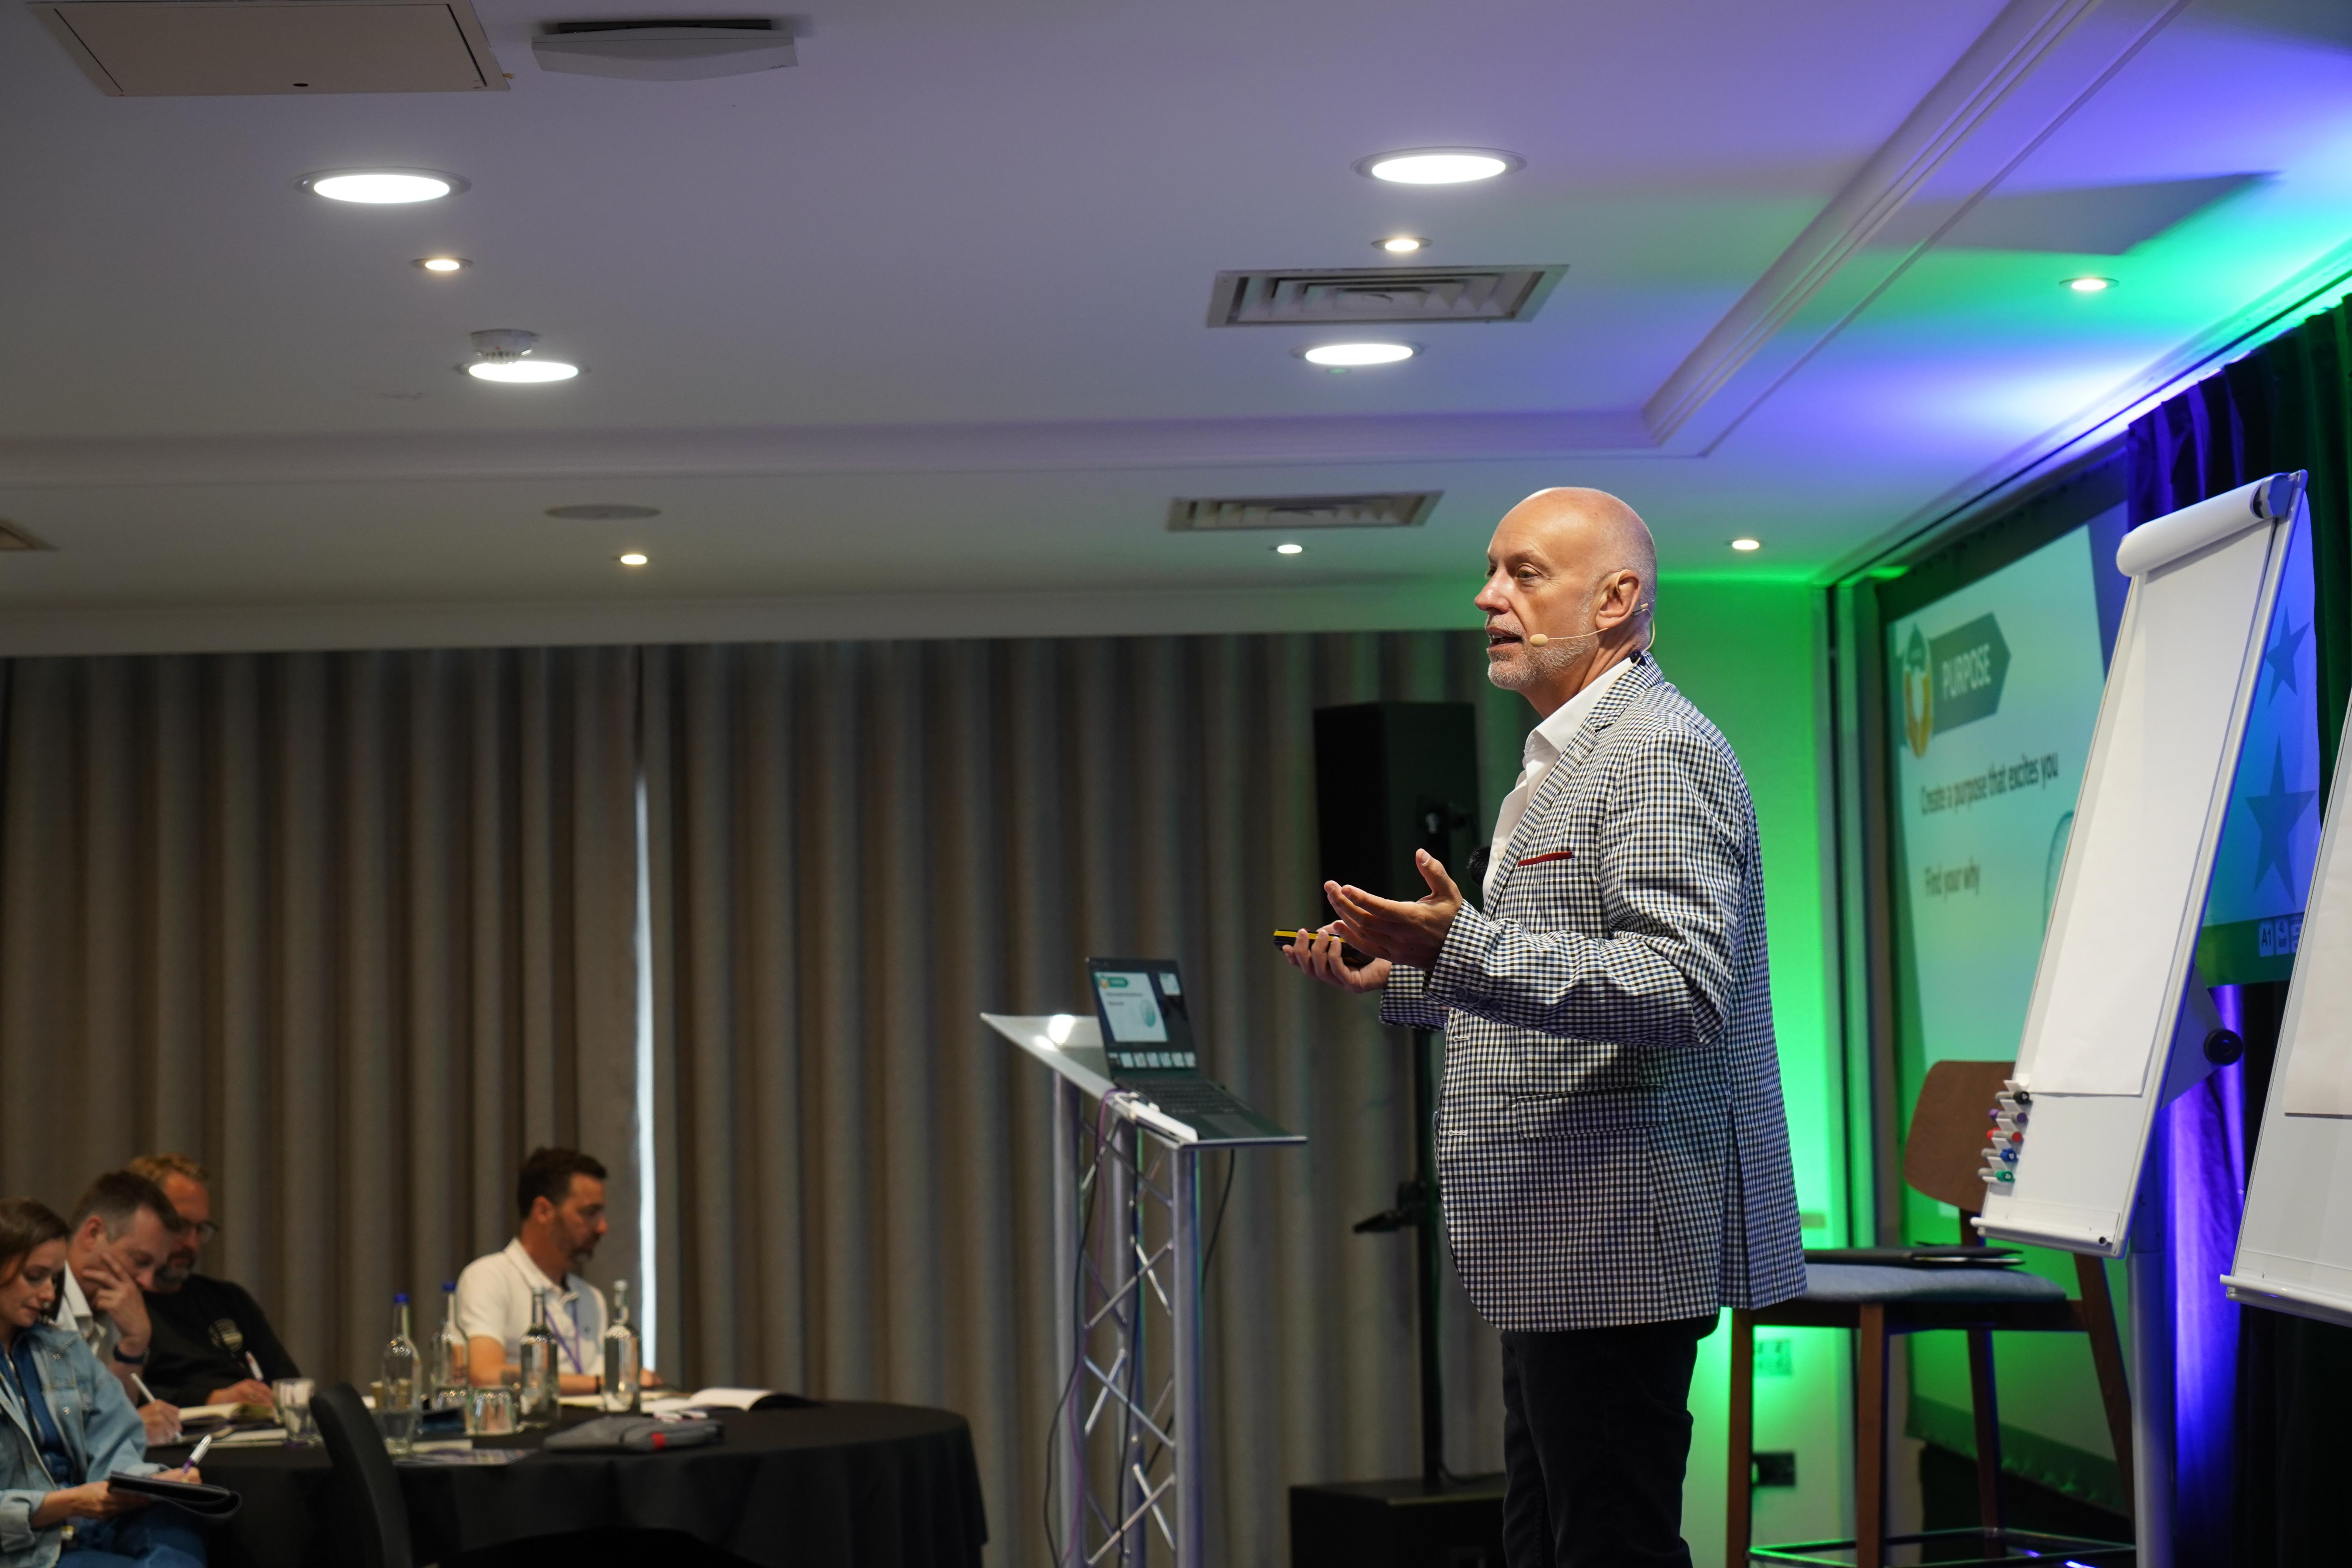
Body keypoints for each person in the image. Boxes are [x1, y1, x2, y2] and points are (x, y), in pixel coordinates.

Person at [1286, 487, 1805, 1568]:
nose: (1488, 597)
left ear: (1616, 600)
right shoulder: (1569, 753)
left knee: (1607, 1545)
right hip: (1561, 1232)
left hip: (1619, 1227)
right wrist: (1407, 967)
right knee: (1545, 1544)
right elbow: (1549, 973)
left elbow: (1678, 986)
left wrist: (1460, 947)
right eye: (1491, 572)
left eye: (1524, 573)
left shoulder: (1655, 750)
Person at [0, 1197, 206, 1568]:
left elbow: (115, 1445)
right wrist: (67, 1503)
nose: (49, 1294)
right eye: (35, 1276)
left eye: (55, 1278)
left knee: (176, 1525)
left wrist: (155, 1482)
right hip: (24, 1545)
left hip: (86, 1523)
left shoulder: (64, 1350)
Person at [123, 1158, 295, 1414]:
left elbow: (287, 1383)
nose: (192, 1244)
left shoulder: (228, 1299)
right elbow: (117, 1400)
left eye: (201, 1229)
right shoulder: (118, 1305)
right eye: (180, 1226)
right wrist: (211, 1400)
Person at [454, 1149, 613, 1397]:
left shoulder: (591, 1297)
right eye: (590, 1213)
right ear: (543, 1211)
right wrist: (605, 1383)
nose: (603, 1227)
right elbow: (485, 1375)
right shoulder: (489, 1277)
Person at [57, 1178, 185, 1448]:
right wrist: (128, 1426)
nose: (147, 1282)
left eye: (156, 1269)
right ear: (93, 1233)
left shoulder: (115, 1303)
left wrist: (134, 1343)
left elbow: (112, 1414)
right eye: (140, 1261)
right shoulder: (37, 1301)